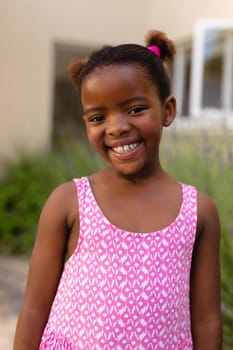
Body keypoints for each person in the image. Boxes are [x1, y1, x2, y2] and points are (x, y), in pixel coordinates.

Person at [13, 30, 222, 350]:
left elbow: (206, 318)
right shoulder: (69, 202)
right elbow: (34, 309)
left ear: (167, 110)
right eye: (98, 117)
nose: (116, 127)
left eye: (136, 109)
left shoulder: (198, 211)